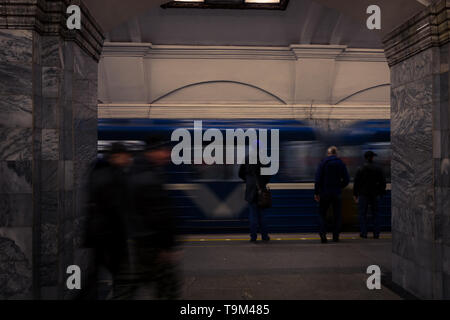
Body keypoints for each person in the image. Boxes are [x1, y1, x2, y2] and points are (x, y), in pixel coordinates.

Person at [123, 135, 180, 299]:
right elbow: (159, 214)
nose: (167, 154)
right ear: (153, 152)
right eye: (164, 150)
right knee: (167, 288)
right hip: (153, 244)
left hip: (142, 241)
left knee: (141, 281)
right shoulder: (149, 178)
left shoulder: (137, 170)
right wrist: (167, 246)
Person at [82, 142, 133, 299]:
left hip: (96, 234)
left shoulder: (97, 172)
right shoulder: (114, 176)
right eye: (126, 155)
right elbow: (117, 210)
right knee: (124, 278)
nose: (129, 159)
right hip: (111, 236)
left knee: (94, 277)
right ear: (116, 156)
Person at [314, 146, 350, 243]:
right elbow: (347, 180)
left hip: (324, 193)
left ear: (328, 153)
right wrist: (339, 186)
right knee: (337, 215)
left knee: (322, 213)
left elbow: (317, 179)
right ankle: (336, 236)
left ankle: (323, 235)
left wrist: (317, 192)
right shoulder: (341, 163)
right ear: (336, 153)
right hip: (336, 193)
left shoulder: (323, 163)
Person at [353, 150, 386, 239]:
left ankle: (364, 233)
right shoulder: (378, 169)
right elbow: (383, 182)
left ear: (365, 158)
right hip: (375, 194)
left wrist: (355, 194)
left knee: (362, 214)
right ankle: (376, 234)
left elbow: (357, 183)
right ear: (372, 157)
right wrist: (381, 192)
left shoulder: (360, 168)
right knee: (376, 214)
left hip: (363, 195)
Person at [239, 159, 271, 243]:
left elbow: (240, 174)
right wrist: (262, 183)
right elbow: (268, 175)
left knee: (253, 216)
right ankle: (264, 236)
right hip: (261, 191)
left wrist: (249, 181)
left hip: (251, 192)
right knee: (263, 216)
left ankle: (253, 237)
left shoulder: (246, 159)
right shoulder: (264, 160)